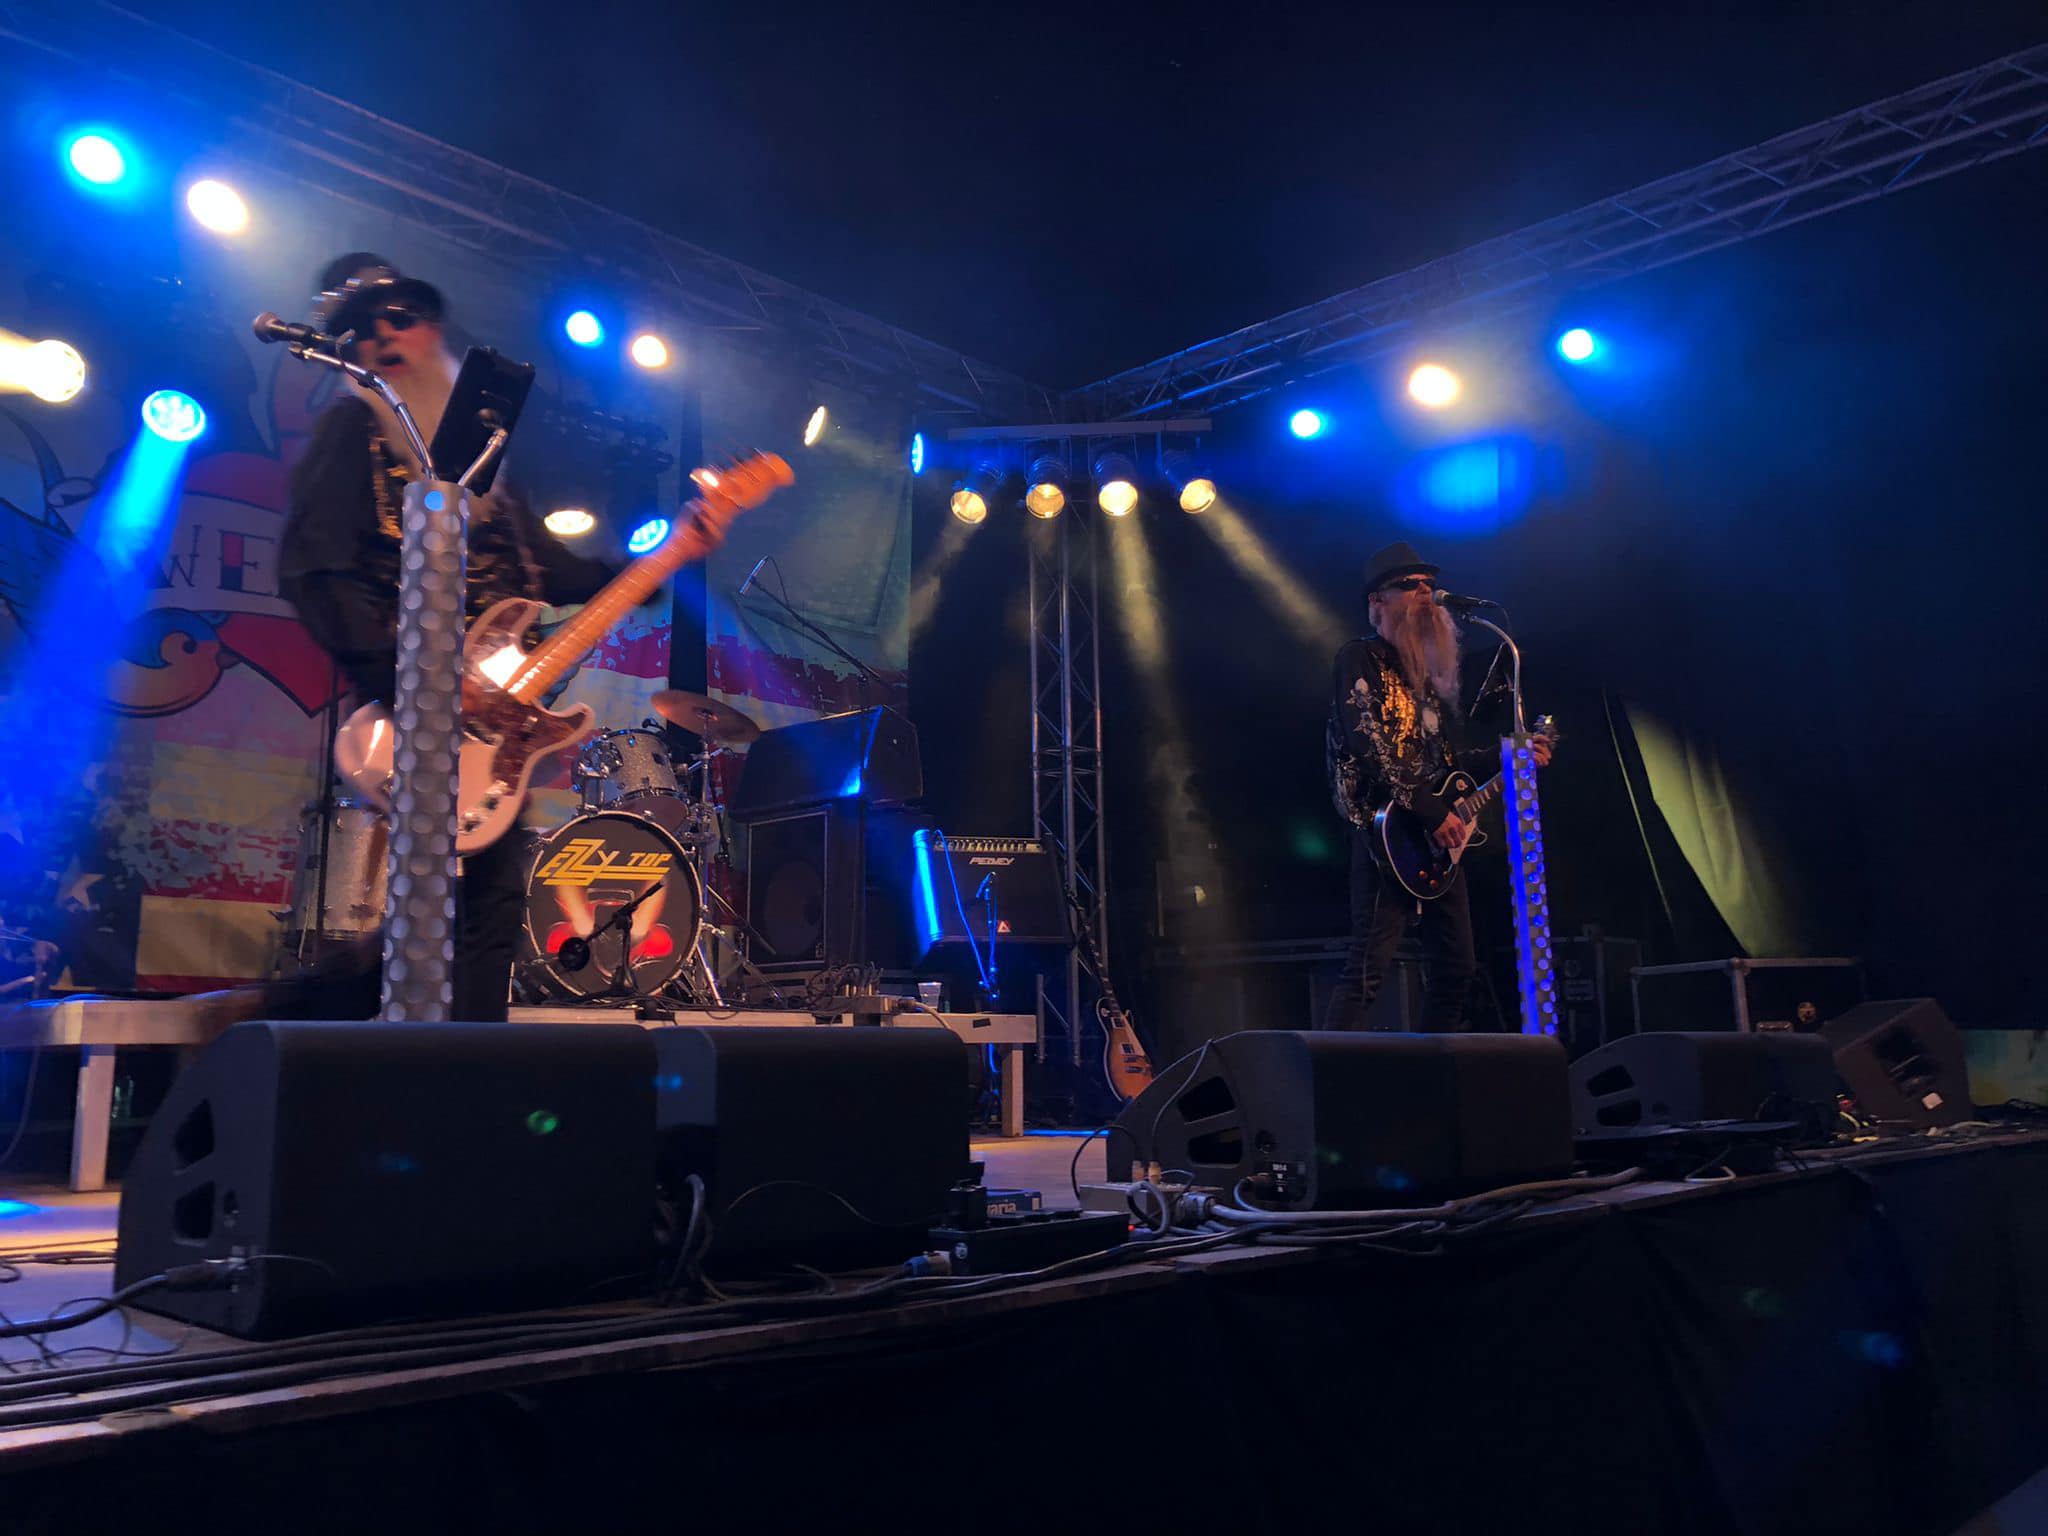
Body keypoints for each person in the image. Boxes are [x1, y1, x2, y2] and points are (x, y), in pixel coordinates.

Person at [277, 254, 617, 1021]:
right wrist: (416, 684)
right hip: (413, 712)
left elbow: (546, 569)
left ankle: (463, 1063)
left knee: (487, 907)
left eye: (400, 317)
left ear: (432, 329)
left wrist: (657, 561)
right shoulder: (352, 430)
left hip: (488, 728)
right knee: (424, 911)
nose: (382, 337)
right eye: (360, 331)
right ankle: (348, 1046)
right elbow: (313, 573)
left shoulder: (483, 463)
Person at [1322, 541, 1551, 1032]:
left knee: (1456, 967)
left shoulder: (1424, 679)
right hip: (1385, 832)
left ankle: (1430, 1066)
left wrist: (1510, 755)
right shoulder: (1359, 658)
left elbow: (1446, 764)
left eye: (1429, 583)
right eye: (1410, 585)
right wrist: (1432, 812)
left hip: (1433, 837)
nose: (1425, 592)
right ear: (1377, 600)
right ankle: (1328, 1073)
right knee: (1367, 969)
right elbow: (1370, 745)